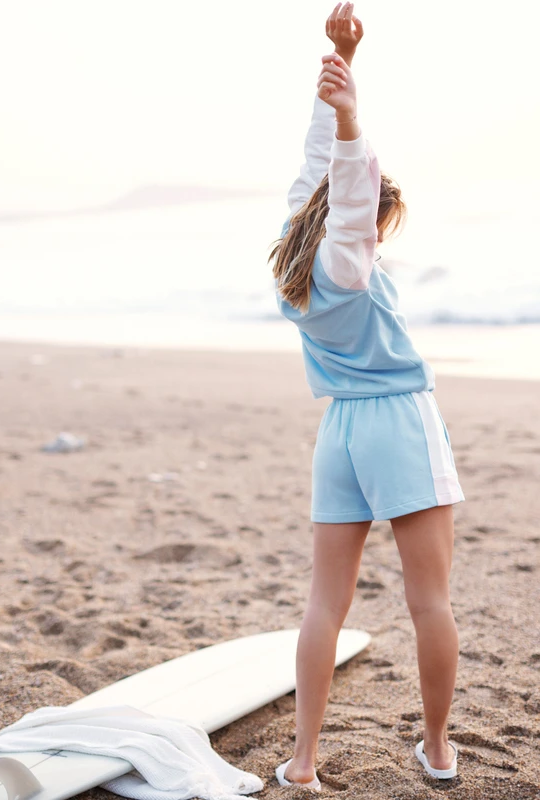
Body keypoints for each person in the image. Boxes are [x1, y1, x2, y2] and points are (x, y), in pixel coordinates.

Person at [268, 1, 465, 787]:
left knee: (325, 604)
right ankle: (439, 751)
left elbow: (321, 166)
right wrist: (349, 115)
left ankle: (303, 762)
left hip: (340, 432)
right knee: (430, 601)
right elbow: (350, 186)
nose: (379, 236)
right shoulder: (347, 260)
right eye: (380, 222)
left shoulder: (296, 251)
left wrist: (341, 64)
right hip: (397, 424)